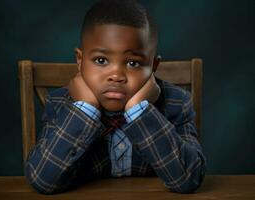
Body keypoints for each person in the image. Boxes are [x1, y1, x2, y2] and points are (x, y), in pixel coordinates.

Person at [24, 0, 206, 195]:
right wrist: (85, 108)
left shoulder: (176, 104)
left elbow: (188, 179)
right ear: (80, 60)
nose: (116, 75)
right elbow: (42, 180)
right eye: (101, 60)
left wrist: (139, 110)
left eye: (133, 63)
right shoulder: (60, 104)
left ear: (153, 67)